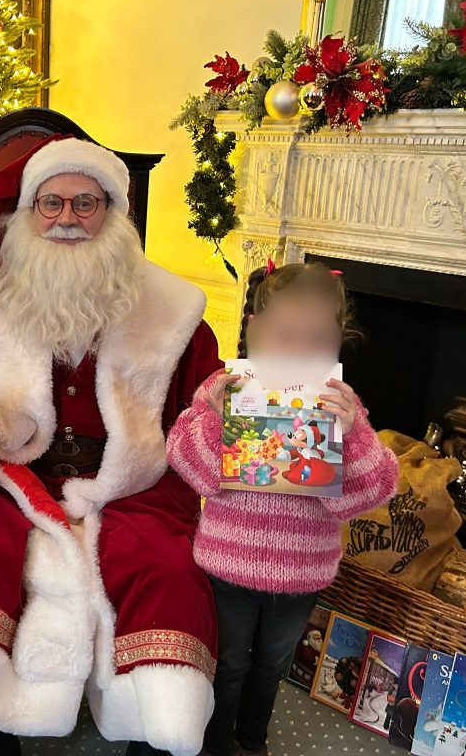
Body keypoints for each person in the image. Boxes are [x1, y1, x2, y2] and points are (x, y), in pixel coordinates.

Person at [0, 137, 222, 756]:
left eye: (85, 203)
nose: (66, 219)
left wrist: (232, 410)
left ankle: (153, 734)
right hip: (8, 476)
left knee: (167, 572)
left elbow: (204, 409)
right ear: (27, 213)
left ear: (113, 213)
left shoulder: (176, 311)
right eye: (50, 203)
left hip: (132, 487)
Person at [166, 262, 399, 756]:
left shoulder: (341, 403)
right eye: (285, 336)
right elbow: (192, 465)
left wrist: (354, 432)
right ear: (252, 331)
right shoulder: (225, 390)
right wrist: (212, 413)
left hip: (302, 573)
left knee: (271, 665)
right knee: (227, 664)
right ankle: (215, 743)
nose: (298, 351)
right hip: (227, 566)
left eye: (317, 341)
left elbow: (372, 490)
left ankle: (252, 740)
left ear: (340, 341)